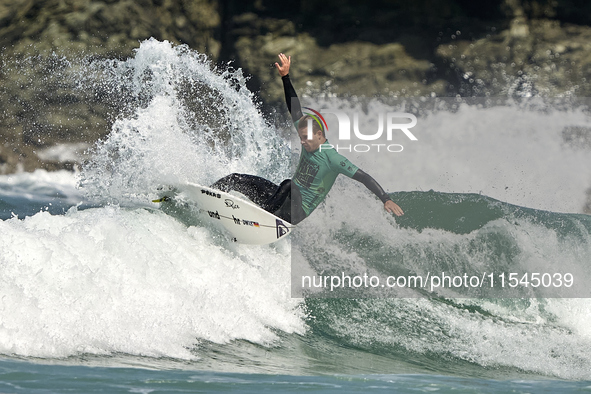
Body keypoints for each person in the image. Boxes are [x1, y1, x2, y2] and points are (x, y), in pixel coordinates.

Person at [211, 53, 404, 224]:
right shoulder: (308, 139)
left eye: (305, 138)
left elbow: (364, 177)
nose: (302, 142)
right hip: (282, 202)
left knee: (288, 184)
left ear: (319, 135)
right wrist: (285, 77)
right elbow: (294, 109)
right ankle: (208, 195)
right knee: (235, 178)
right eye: (301, 137)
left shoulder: (333, 159)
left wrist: (385, 198)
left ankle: (260, 220)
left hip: (296, 212)